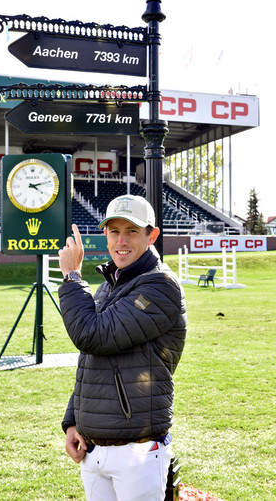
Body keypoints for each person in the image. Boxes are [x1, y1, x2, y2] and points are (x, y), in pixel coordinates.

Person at [58, 194, 187, 501]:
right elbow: (92, 360)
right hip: (94, 446)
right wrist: (73, 420)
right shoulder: (109, 285)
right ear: (105, 235)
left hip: (138, 450)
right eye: (114, 231)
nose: (121, 241)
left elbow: (92, 336)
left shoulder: (160, 285)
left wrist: (71, 277)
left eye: (131, 231)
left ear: (151, 235)